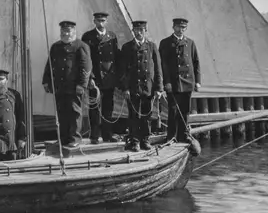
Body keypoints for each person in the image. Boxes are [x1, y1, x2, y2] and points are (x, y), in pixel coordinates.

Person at [41, 19, 92, 149]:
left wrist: (82, 85)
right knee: (61, 112)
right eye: (63, 31)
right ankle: (63, 138)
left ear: (74, 31)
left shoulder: (81, 46)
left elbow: (86, 67)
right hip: (59, 86)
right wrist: (46, 81)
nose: (65, 33)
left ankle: (75, 138)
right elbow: (50, 65)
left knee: (74, 112)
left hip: (74, 87)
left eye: (68, 31)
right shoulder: (56, 47)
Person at [116, 19, 163, 152]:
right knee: (133, 116)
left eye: (141, 30)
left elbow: (158, 69)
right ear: (133, 31)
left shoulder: (152, 46)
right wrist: (125, 88)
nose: (139, 33)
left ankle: (145, 140)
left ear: (145, 31)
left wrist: (159, 88)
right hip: (133, 88)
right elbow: (123, 70)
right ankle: (135, 141)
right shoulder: (127, 47)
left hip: (148, 87)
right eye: (136, 30)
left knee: (147, 115)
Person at [159, 17, 201, 143]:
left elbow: (196, 63)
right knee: (173, 110)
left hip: (188, 82)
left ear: (186, 29)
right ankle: (171, 136)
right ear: (173, 27)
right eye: (178, 27)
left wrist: (198, 82)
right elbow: (163, 65)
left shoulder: (190, 43)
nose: (180, 30)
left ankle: (184, 136)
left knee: (185, 110)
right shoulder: (165, 43)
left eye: (183, 28)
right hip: (173, 83)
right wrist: (166, 82)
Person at [81, 11, 119, 143]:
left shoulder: (112, 37)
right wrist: (90, 77)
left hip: (109, 78)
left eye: (103, 21)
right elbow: (86, 59)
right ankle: (95, 136)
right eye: (98, 21)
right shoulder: (88, 37)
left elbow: (116, 57)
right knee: (94, 109)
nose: (101, 23)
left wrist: (117, 78)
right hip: (95, 79)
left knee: (108, 108)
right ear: (94, 22)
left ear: (106, 22)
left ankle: (108, 135)